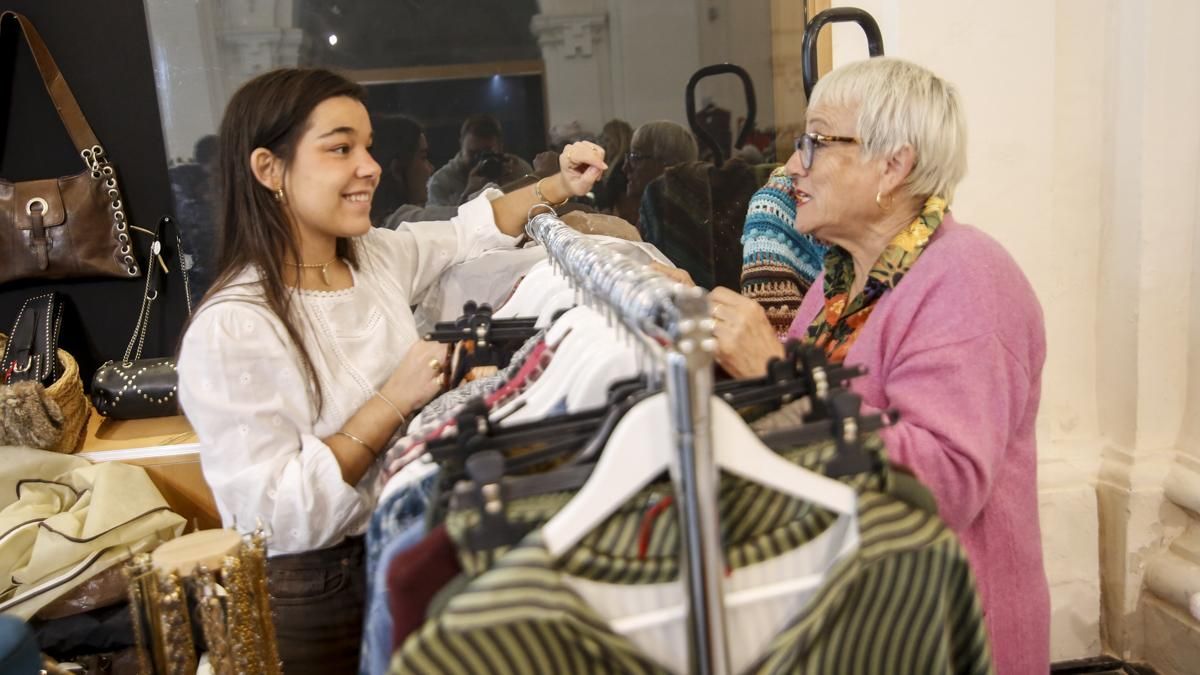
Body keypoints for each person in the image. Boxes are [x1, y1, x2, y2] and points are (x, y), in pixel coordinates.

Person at [175, 68, 605, 673]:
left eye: (369, 147)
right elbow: (278, 517)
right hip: (315, 595)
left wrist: (559, 185)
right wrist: (397, 399)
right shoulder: (234, 328)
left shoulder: (372, 259)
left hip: (399, 538)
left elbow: (466, 232)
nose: (370, 166)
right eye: (340, 148)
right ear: (269, 169)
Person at [707, 58, 1048, 674]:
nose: (791, 166)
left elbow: (944, 485)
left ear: (894, 165)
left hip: (946, 631)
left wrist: (775, 375)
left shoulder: (968, 277)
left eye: (817, 140)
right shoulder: (840, 281)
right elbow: (809, 423)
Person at [425, 113, 534, 206]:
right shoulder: (441, 182)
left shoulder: (517, 169)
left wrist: (514, 185)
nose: (480, 161)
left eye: (487, 154)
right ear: (461, 145)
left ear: (500, 147)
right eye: (473, 153)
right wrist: (469, 194)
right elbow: (440, 226)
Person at [370, 115, 459, 228]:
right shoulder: (403, 223)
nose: (430, 169)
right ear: (397, 169)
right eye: (423, 157)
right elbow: (470, 219)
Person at [619, 120, 697, 228]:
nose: (625, 168)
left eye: (635, 157)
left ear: (668, 164)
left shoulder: (669, 225)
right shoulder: (652, 214)